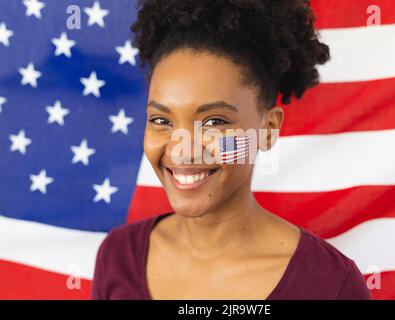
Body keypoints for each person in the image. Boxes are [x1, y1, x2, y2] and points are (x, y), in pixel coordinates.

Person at [92, 0, 371, 300]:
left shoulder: (329, 285)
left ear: (268, 129)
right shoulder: (117, 256)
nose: (183, 151)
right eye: (161, 120)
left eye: (214, 122)